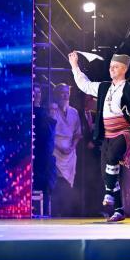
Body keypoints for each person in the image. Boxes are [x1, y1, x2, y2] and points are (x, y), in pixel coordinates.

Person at [69, 51, 130, 222]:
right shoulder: (104, 87)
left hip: (124, 132)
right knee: (107, 173)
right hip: (107, 134)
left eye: (116, 67)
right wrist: (75, 65)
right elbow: (85, 85)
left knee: (113, 157)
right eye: (111, 66)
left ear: (124, 69)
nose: (111, 69)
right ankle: (119, 210)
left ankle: (108, 192)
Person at [50, 83, 83, 217]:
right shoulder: (52, 110)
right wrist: (59, 148)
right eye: (62, 93)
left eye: (67, 93)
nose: (65, 96)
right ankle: (55, 211)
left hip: (69, 153)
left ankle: (66, 212)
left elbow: (78, 134)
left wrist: (72, 147)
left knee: (68, 185)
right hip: (55, 150)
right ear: (57, 95)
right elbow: (49, 132)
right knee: (57, 182)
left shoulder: (74, 112)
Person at [32, 83, 56, 216]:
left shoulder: (44, 113)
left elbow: (49, 135)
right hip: (34, 153)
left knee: (46, 181)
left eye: (39, 93)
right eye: (35, 93)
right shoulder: (32, 114)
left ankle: (46, 210)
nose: (37, 96)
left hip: (44, 154)